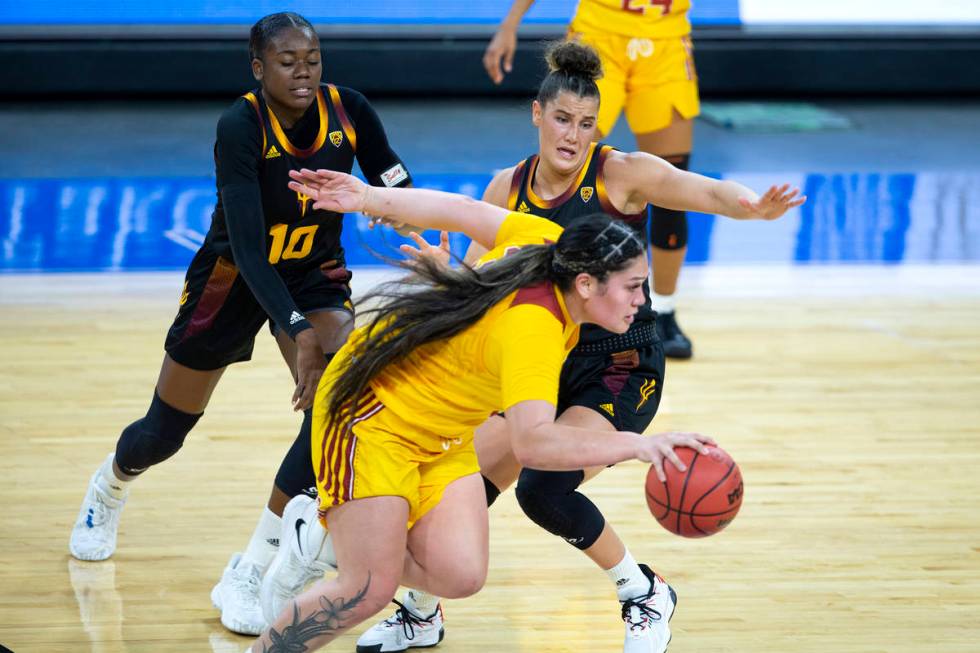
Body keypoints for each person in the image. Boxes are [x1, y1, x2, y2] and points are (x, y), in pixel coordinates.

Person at [355, 41, 804, 653]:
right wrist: (447, 270)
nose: (573, 135)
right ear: (536, 115)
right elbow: (479, 283)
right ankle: (421, 609)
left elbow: (698, 191)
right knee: (463, 479)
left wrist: (753, 210)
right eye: (562, 119)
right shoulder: (504, 187)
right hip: (540, 357)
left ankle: (642, 591)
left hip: (617, 363)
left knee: (544, 487)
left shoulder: (619, 175)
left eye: (587, 124)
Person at [244, 166, 716, 653]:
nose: (643, 303)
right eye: (634, 287)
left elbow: (461, 210)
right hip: (372, 417)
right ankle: (324, 573)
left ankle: (326, 542)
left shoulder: (550, 244)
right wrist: (640, 445)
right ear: (587, 284)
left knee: (460, 574)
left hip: (443, 430)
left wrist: (366, 196)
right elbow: (533, 443)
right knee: (366, 589)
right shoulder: (534, 331)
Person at [66, 11, 413, 637]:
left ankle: (254, 566)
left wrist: (401, 202)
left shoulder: (349, 108)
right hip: (234, 277)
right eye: (287, 61)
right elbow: (252, 250)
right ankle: (111, 486)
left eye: (312, 58)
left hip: (316, 270)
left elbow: (389, 170)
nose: (303, 71)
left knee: (336, 406)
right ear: (259, 68)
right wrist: (298, 331)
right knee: (164, 431)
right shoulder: (240, 126)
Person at [484, 0, 702, 359]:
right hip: (601, 31)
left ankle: (664, 309)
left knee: (671, 185)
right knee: (566, 166)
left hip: (666, 36)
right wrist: (511, 23)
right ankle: (542, 292)